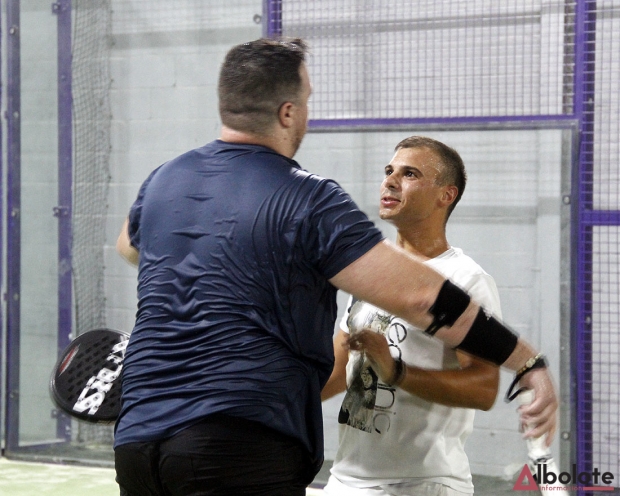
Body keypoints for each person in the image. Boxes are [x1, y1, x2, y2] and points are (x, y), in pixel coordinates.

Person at [114, 38, 557, 496]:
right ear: (288, 113)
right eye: (307, 101)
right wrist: (526, 360)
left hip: (137, 438)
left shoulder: (165, 178)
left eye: (408, 173)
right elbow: (423, 296)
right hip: (235, 445)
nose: (390, 179)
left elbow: (131, 246)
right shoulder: (307, 198)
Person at [322, 136, 501, 496]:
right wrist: (265, 404)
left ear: (445, 196)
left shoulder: (466, 281)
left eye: (410, 174)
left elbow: (484, 387)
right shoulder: (369, 270)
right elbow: (339, 370)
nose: (390, 180)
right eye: (389, 171)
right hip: (346, 480)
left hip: (423, 484)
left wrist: (397, 371)